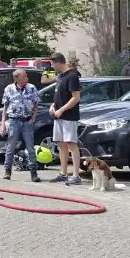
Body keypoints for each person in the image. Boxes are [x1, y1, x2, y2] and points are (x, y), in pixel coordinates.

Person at [0, 69, 42, 182]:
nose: (26, 77)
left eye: (26, 76)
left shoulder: (32, 88)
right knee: (10, 147)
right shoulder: (9, 89)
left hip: (27, 121)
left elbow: (36, 104)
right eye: (23, 76)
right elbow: (5, 107)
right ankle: (7, 170)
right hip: (14, 121)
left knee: (30, 148)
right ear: (16, 78)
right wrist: (3, 123)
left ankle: (34, 172)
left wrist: (33, 118)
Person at [49, 53, 82, 184]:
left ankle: (76, 175)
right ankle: (63, 173)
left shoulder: (72, 76)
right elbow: (59, 95)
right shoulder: (60, 77)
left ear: (58, 62)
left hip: (69, 116)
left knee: (71, 144)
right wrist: (53, 106)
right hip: (58, 116)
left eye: (52, 64)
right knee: (61, 144)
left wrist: (62, 109)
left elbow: (76, 97)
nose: (52, 66)